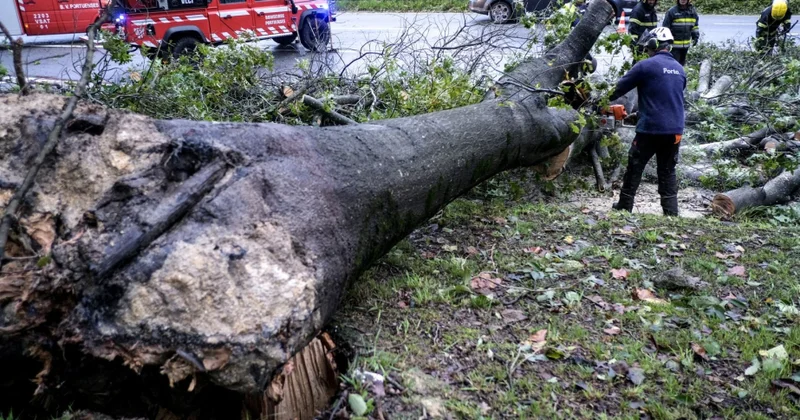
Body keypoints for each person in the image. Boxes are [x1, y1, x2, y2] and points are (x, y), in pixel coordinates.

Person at [609, 28, 687, 216]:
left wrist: (598, 102)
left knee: (635, 165)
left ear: (653, 45)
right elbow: (665, 98)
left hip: (651, 129)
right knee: (667, 171)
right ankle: (671, 212)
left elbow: (617, 89)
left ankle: (625, 206)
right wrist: (638, 114)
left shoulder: (645, 66)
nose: (647, 50)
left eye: (648, 47)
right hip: (675, 130)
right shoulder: (679, 69)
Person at [662, 0, 700, 65]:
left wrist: (695, 37)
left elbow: (694, 26)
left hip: (685, 46)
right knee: (674, 65)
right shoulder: (672, 11)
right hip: (673, 46)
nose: (683, 0)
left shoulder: (692, 12)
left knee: (681, 65)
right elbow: (665, 28)